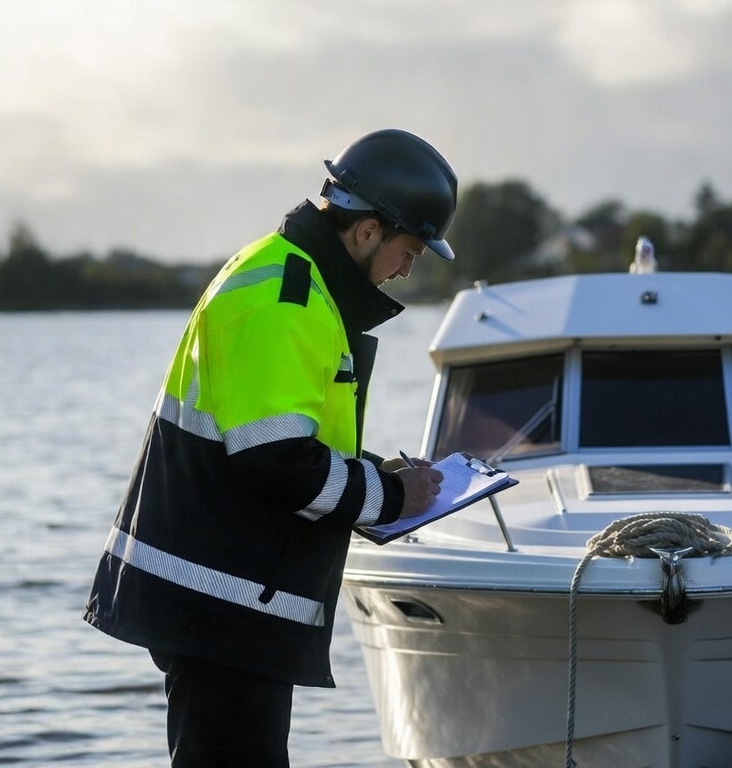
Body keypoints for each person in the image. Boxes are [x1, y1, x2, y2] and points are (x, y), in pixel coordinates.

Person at [83, 128, 457, 767]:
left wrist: (377, 475)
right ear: (368, 231)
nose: (406, 270)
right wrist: (393, 496)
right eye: (411, 251)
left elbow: (282, 445)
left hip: (225, 596)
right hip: (220, 602)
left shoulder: (290, 279)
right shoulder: (287, 297)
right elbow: (276, 464)